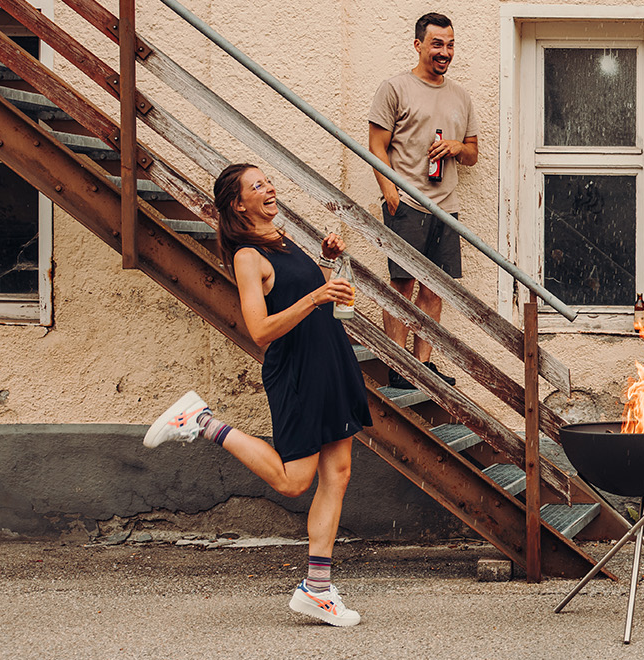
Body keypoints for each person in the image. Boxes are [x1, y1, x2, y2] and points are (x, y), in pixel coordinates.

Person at [143, 163, 372, 627]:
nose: (269, 188)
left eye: (268, 181)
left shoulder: (279, 239)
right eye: (257, 186)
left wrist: (326, 263)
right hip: (299, 372)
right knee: (293, 481)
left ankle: (317, 591)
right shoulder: (247, 255)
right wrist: (317, 297)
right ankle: (202, 421)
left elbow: (301, 293)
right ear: (237, 203)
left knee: (339, 473)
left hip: (330, 360)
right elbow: (261, 329)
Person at [368, 11, 476, 389]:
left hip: (445, 207)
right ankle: (397, 366)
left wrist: (457, 146)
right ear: (418, 45)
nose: (444, 52)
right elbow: (375, 147)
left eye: (449, 44)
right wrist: (390, 192)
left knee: (435, 289)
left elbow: (473, 153)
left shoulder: (460, 96)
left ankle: (423, 364)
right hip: (407, 204)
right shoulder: (395, 88)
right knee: (402, 283)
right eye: (437, 44)